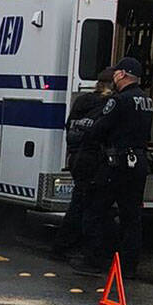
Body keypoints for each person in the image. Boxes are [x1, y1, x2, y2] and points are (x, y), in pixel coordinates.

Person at [73, 56, 153, 276]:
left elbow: (101, 128)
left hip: (115, 164)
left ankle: (93, 260)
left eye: (117, 73)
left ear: (122, 75)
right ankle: (129, 267)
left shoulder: (118, 100)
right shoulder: (147, 100)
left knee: (95, 210)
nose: (115, 76)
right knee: (132, 217)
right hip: (138, 163)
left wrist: (84, 132)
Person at [52, 68, 116, 260]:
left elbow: (69, 126)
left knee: (79, 203)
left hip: (76, 158)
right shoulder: (107, 105)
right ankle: (80, 249)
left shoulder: (82, 101)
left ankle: (62, 246)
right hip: (93, 161)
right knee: (89, 208)